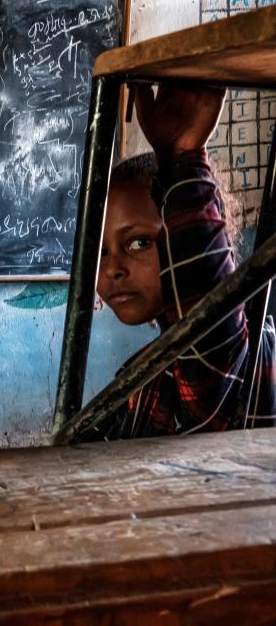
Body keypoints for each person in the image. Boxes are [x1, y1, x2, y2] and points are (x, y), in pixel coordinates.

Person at [90, 84, 276, 439]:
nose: (112, 268)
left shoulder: (230, 355)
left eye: (139, 242)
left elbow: (202, 305)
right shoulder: (148, 373)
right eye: (100, 251)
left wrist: (185, 159)